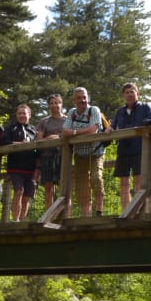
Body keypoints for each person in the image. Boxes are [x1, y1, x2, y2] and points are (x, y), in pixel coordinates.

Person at [108, 83, 151, 210]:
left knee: (139, 182)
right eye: (126, 92)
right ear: (123, 95)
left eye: (132, 92)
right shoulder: (120, 112)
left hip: (141, 149)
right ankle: (126, 211)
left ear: (137, 93)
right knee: (124, 183)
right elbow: (113, 126)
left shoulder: (145, 107)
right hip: (123, 149)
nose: (129, 94)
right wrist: (109, 129)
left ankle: (140, 210)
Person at [62, 87, 105, 217]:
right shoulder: (72, 113)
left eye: (84, 97)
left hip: (96, 152)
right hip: (80, 153)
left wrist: (74, 133)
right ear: (74, 100)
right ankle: (86, 215)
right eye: (79, 98)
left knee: (96, 178)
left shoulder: (94, 110)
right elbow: (64, 132)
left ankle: (99, 211)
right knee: (81, 185)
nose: (83, 100)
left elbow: (93, 130)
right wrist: (80, 132)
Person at [0, 104, 38, 221]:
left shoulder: (34, 130)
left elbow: (39, 147)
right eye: (19, 113)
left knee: (27, 196)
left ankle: (21, 220)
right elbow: (2, 141)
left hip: (31, 167)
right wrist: (19, 144)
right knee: (18, 191)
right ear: (16, 115)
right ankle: (15, 220)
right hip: (15, 166)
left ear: (29, 115)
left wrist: (38, 168)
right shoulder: (11, 128)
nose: (22, 115)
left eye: (24, 113)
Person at [35, 94, 67, 210]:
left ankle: (65, 214)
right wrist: (49, 139)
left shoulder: (67, 120)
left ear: (61, 104)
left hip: (63, 156)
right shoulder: (44, 121)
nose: (54, 105)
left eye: (57, 102)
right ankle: (49, 213)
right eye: (52, 103)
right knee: (48, 186)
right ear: (48, 105)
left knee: (64, 186)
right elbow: (39, 140)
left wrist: (58, 137)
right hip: (47, 156)